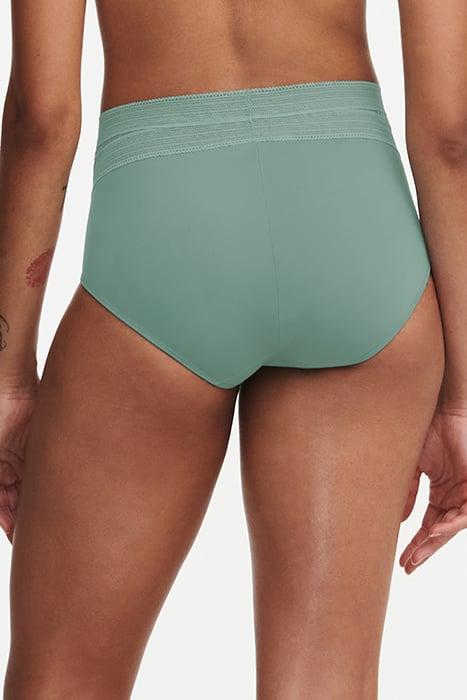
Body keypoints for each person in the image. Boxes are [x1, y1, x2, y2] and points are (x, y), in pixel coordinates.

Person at [0, 1, 465, 697]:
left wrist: (9, 379)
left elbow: (40, 121)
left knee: (64, 680)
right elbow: (452, 135)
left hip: (167, 229)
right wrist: (461, 399)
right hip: (354, 229)